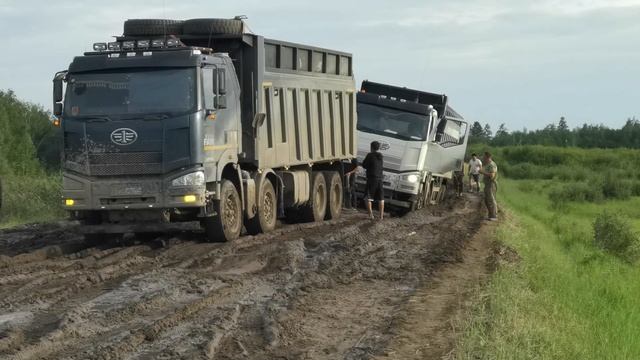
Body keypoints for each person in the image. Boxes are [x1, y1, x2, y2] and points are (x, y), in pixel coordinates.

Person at [362, 141, 384, 220]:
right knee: (381, 198)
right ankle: (381, 216)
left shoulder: (370, 155)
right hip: (380, 179)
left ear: (371, 147)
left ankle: (371, 215)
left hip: (372, 179)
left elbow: (364, 165)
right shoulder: (381, 156)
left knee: (367, 198)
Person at [479, 152, 498, 221]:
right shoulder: (488, 165)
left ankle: (494, 216)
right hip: (487, 184)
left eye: (484, 157)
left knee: (491, 200)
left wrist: (482, 172)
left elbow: (492, 175)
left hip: (491, 184)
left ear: (488, 157)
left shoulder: (492, 165)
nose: (483, 159)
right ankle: (490, 215)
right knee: (487, 200)